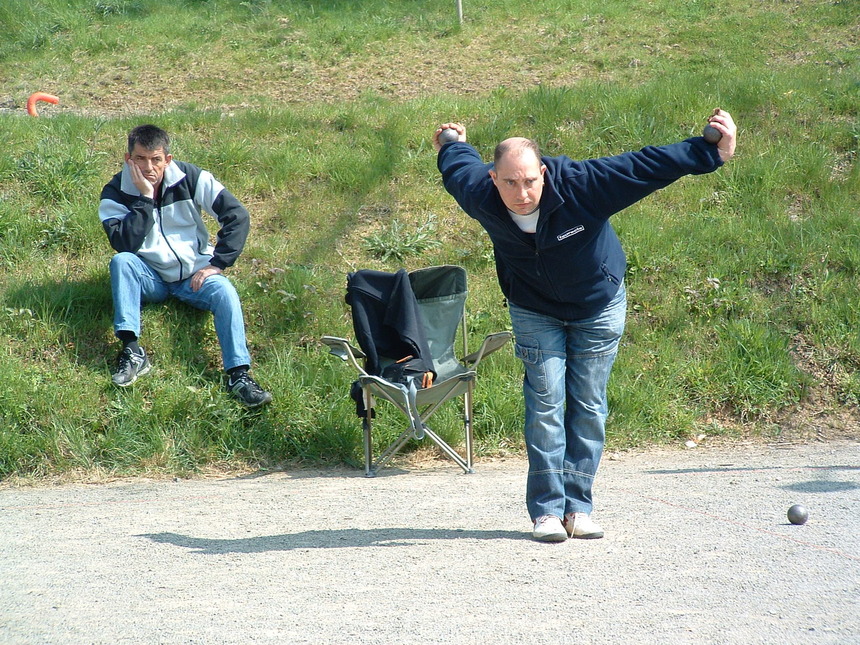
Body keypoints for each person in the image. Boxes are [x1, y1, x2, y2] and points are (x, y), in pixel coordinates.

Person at [434, 110, 737, 541]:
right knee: (545, 403)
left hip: (598, 304)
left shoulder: (582, 186)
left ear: (542, 172)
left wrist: (711, 152)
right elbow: (457, 165)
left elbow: (645, 165)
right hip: (534, 307)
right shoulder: (478, 193)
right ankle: (546, 512)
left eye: (530, 181)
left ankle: (578, 507)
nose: (522, 194)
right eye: (509, 183)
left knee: (589, 405)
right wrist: (452, 142)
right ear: (493, 178)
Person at [98, 124, 272, 408]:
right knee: (122, 262)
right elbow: (124, 244)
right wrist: (144, 198)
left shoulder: (192, 177)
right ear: (128, 158)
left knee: (225, 292)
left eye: (156, 159)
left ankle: (239, 375)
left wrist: (218, 263)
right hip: (150, 276)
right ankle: (132, 351)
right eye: (140, 159)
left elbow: (236, 215)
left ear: (168, 159)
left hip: (194, 276)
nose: (148, 167)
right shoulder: (115, 192)